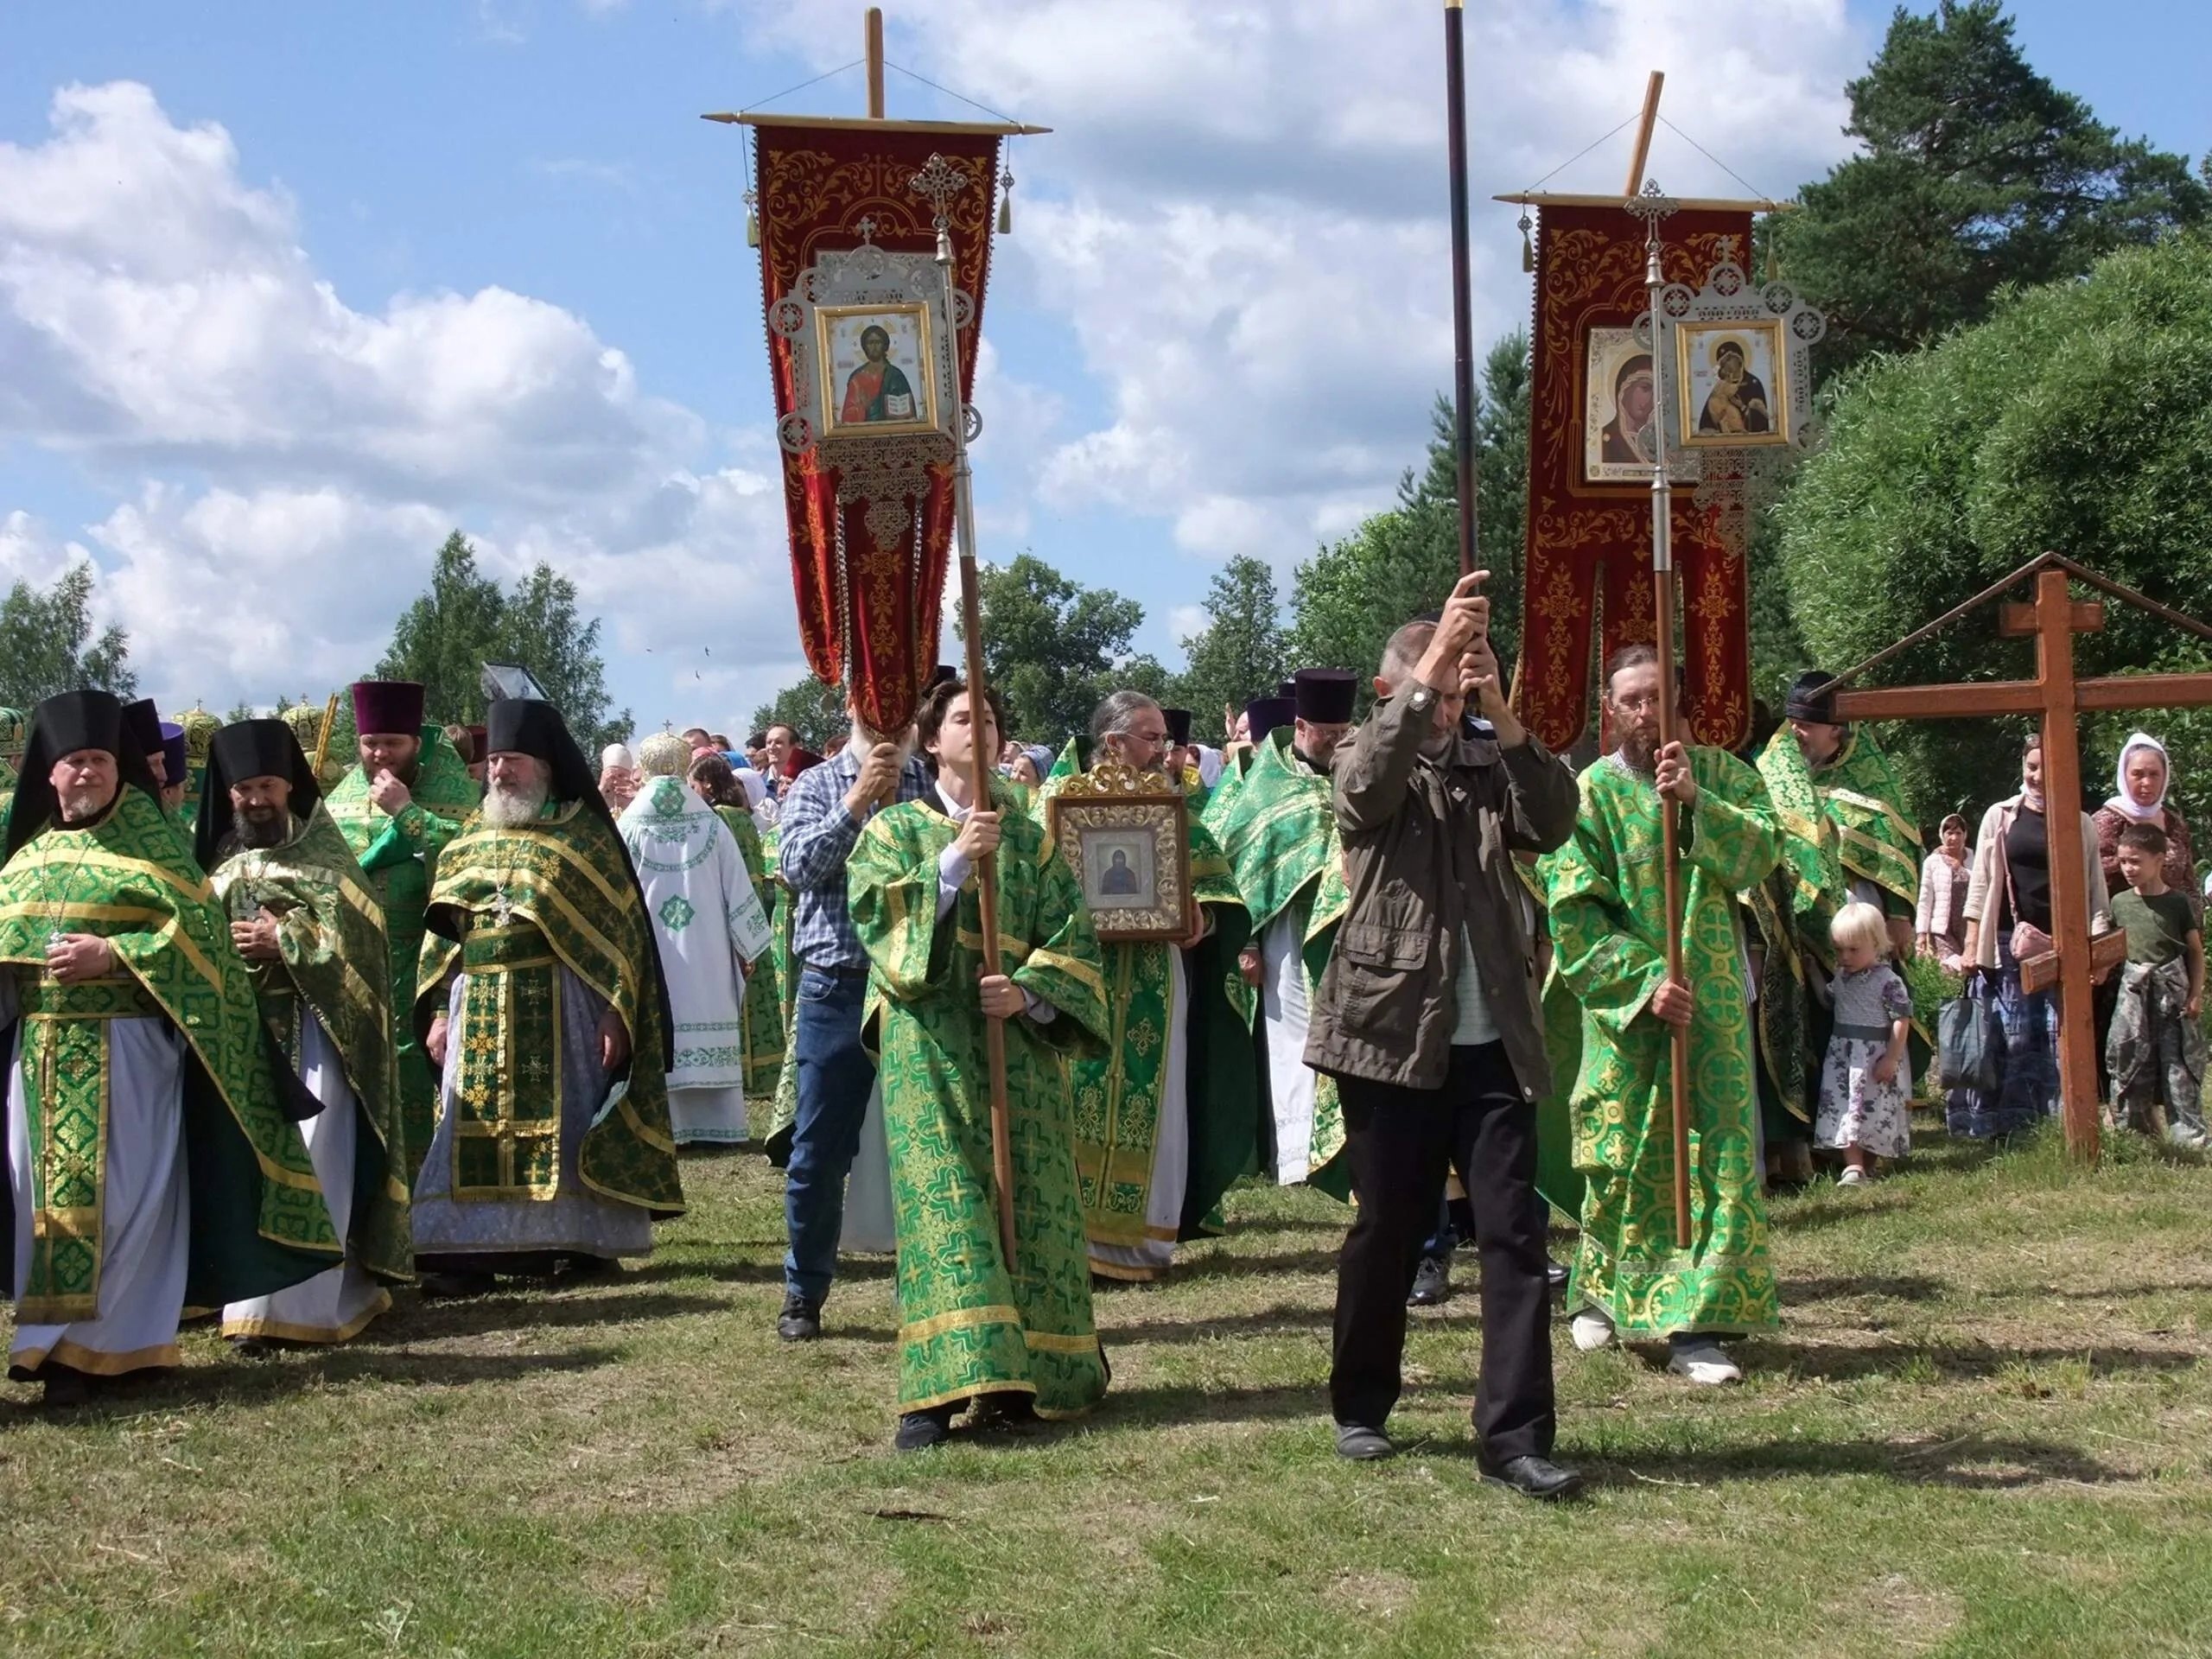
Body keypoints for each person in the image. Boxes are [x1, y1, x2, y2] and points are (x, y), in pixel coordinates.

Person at [1307, 575, 1583, 1498]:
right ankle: (1360, 1404)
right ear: (1395, 690)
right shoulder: (1363, 750)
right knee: (1388, 1227)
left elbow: (1553, 819)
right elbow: (1364, 797)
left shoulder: (1488, 760)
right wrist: (1428, 673)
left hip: (1492, 1038)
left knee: (1514, 1235)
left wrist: (1500, 712)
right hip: (1389, 1035)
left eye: (1462, 680)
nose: (1451, 696)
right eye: (1434, 684)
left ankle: (1513, 1437)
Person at [0, 691, 340, 1404]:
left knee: (130, 1197)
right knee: (41, 1195)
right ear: (51, 776)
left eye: (98, 760)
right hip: (39, 1055)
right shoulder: (25, 858)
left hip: (129, 1050)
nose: (86, 773)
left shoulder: (152, 846)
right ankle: (49, 1343)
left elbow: (202, 942)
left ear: (119, 770)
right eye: (73, 763)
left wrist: (116, 955)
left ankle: (121, 1347)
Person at [847, 678, 1111, 1448]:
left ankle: (1033, 1375)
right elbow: (876, 919)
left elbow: (1074, 937)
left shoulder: (1030, 838)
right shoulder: (896, 830)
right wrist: (954, 867)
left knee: (1031, 1200)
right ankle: (934, 1394)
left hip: (1016, 1051)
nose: (980, 729)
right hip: (930, 1050)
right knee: (948, 1208)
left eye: (990, 718)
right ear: (932, 740)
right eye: (964, 718)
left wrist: (1028, 996)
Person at [1540, 642, 1782, 1384]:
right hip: (1630, 1010)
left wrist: (1696, 805)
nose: (1646, 713)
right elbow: (1572, 909)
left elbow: (1763, 855)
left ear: (1679, 702)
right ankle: (1602, 1295)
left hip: (1712, 1011)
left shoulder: (1724, 776)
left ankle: (1695, 1325)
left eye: (1658, 698)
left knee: (1718, 1160)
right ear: (1610, 712)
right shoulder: (1589, 795)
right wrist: (1643, 981)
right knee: (1624, 1160)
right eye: (1631, 701)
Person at [413, 699, 683, 1294]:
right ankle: (463, 1254)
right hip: (477, 1001)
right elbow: (442, 941)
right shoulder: (466, 839)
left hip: (562, 1005)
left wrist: (617, 1009)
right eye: (494, 762)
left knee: (568, 1127)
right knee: (468, 1125)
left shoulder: (584, 837)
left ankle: (577, 1242)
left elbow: (622, 933)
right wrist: (436, 1012)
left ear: (546, 767)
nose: (501, 773)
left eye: (514, 761)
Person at [198, 718, 412, 1345]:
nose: (256, 799)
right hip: (243, 1041)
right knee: (249, 1166)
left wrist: (284, 939)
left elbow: (363, 945)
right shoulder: (218, 868)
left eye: (267, 784)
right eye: (243, 789)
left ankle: (310, 1305)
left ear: (289, 785)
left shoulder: (327, 862)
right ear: (229, 794)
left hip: (318, 1039)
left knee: (317, 1159)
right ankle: (245, 1307)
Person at [1050, 690, 1256, 1282]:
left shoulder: (1173, 807)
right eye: (1151, 737)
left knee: (1155, 1098)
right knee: (1074, 1096)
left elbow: (1216, 886)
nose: (1164, 749)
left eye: (1163, 737)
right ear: (1114, 743)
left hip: (1152, 983)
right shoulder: (1059, 804)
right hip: (1079, 973)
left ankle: (1140, 1241)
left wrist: (1204, 918)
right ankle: (1073, 1238)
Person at [772, 693, 932, 1340]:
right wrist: (857, 801)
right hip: (838, 984)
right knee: (818, 1150)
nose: (890, 715)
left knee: (927, 1142)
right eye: (875, 700)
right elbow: (796, 868)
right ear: (851, 705)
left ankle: (928, 1288)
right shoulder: (818, 783)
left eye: (903, 702)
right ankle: (803, 1293)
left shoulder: (930, 779)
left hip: (919, 985)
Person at [1748, 671, 1923, 1186]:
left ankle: (1871, 1140)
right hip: (1796, 926)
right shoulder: (1775, 770)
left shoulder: (1870, 775)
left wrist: (1898, 912)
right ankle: (1808, 1142)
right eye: (1794, 720)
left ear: (1838, 730)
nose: (1797, 732)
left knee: (1870, 1028)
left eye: (1809, 724)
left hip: (1862, 925)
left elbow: (1895, 845)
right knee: (1805, 1030)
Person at [326, 681, 480, 1179]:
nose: (379, 754)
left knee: (419, 1082)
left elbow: (471, 865)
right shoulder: (341, 799)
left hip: (426, 964)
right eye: (370, 743)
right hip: (354, 966)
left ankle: (426, 1207)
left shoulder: (457, 796)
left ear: (418, 742)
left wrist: (407, 814)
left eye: (392, 743)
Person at [1216, 675, 1358, 1192]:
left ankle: (1351, 1151)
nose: (1338, 739)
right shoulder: (1269, 782)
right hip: (1289, 930)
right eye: (1327, 731)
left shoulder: (1357, 769)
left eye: (1345, 729)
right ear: (1300, 726)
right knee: (1294, 1039)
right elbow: (1240, 858)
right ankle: (1298, 1158)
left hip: (1352, 926)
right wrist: (1248, 944)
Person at [618, 732, 772, 1147]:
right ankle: (717, 1126)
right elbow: (737, 888)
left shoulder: (626, 825)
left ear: (645, 769)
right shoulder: (710, 822)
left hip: (651, 952)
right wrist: (746, 943)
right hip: (707, 953)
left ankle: (663, 1127)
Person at [1954, 736, 2111, 1141]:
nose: (2038, 776)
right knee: (2009, 1037)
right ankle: (2002, 1126)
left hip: (2064, 945)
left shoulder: (2080, 823)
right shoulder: (2001, 816)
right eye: (2032, 766)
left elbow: (2095, 891)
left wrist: (2097, 950)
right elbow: (1981, 884)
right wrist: (1972, 944)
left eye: (2047, 766)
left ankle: (2058, 1125)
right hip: (2007, 943)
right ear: (2023, 767)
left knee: (2059, 1034)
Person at [690, 750, 787, 1109]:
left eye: (694, 785)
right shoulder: (744, 817)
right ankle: (765, 1072)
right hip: (754, 912)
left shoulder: (716, 820)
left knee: (737, 997)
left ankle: (742, 1073)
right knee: (758, 995)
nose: (693, 792)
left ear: (709, 785)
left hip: (729, 913)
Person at [2106, 822, 2207, 1145]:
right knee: (2129, 1057)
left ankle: (2188, 1135)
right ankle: (2131, 1131)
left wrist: (2195, 994)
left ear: (2159, 860)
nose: (2128, 868)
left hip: (2172, 993)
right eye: (2123, 861)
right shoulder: (2120, 902)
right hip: (2134, 992)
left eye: (2136, 861)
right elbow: (2111, 948)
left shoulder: (2177, 903)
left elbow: (2195, 952)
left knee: (2179, 1062)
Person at [1814, 902, 1915, 1185]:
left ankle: (1867, 1163)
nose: (1845, 957)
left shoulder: (1888, 981)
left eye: (1853, 950)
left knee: (1872, 1108)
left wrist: (1892, 1058)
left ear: (1876, 943)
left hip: (1873, 1056)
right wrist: (1812, 972)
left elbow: (1901, 1019)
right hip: (1843, 1056)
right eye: (1839, 950)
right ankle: (1853, 1166)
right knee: (1847, 1108)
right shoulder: (1842, 977)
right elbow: (1828, 999)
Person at [1916, 814, 1974, 963]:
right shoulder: (1932, 862)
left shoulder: (1973, 857)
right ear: (1942, 835)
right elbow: (1925, 899)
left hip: (1969, 927)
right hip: (1943, 929)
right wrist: (1921, 933)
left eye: (1958, 833)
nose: (1954, 838)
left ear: (1965, 835)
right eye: (1949, 833)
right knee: (1952, 969)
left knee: (1971, 967)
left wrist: (1961, 869)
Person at [840, 324, 917, 424]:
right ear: (864, 347)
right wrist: (863, 408)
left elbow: (908, 413)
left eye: (878, 342)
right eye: (870, 343)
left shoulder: (895, 375)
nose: (874, 347)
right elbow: (847, 417)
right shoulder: (857, 378)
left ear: (885, 345)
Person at [1696, 338, 1770, 435]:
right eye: (1724, 366)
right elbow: (1706, 423)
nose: (1728, 372)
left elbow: (1761, 420)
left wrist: (1743, 407)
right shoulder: (1721, 386)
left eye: (1731, 365)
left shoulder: (1753, 384)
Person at [1599, 354, 1655, 464]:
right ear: (1624, 389)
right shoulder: (1605, 440)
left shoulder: (1662, 442)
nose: (1650, 399)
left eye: (1658, 393)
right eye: (1645, 388)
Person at [599, 742, 639, 816]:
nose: (615, 781)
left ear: (630, 775)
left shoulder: (639, 797)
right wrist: (602, 788)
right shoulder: (601, 799)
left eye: (621, 775)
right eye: (611, 777)